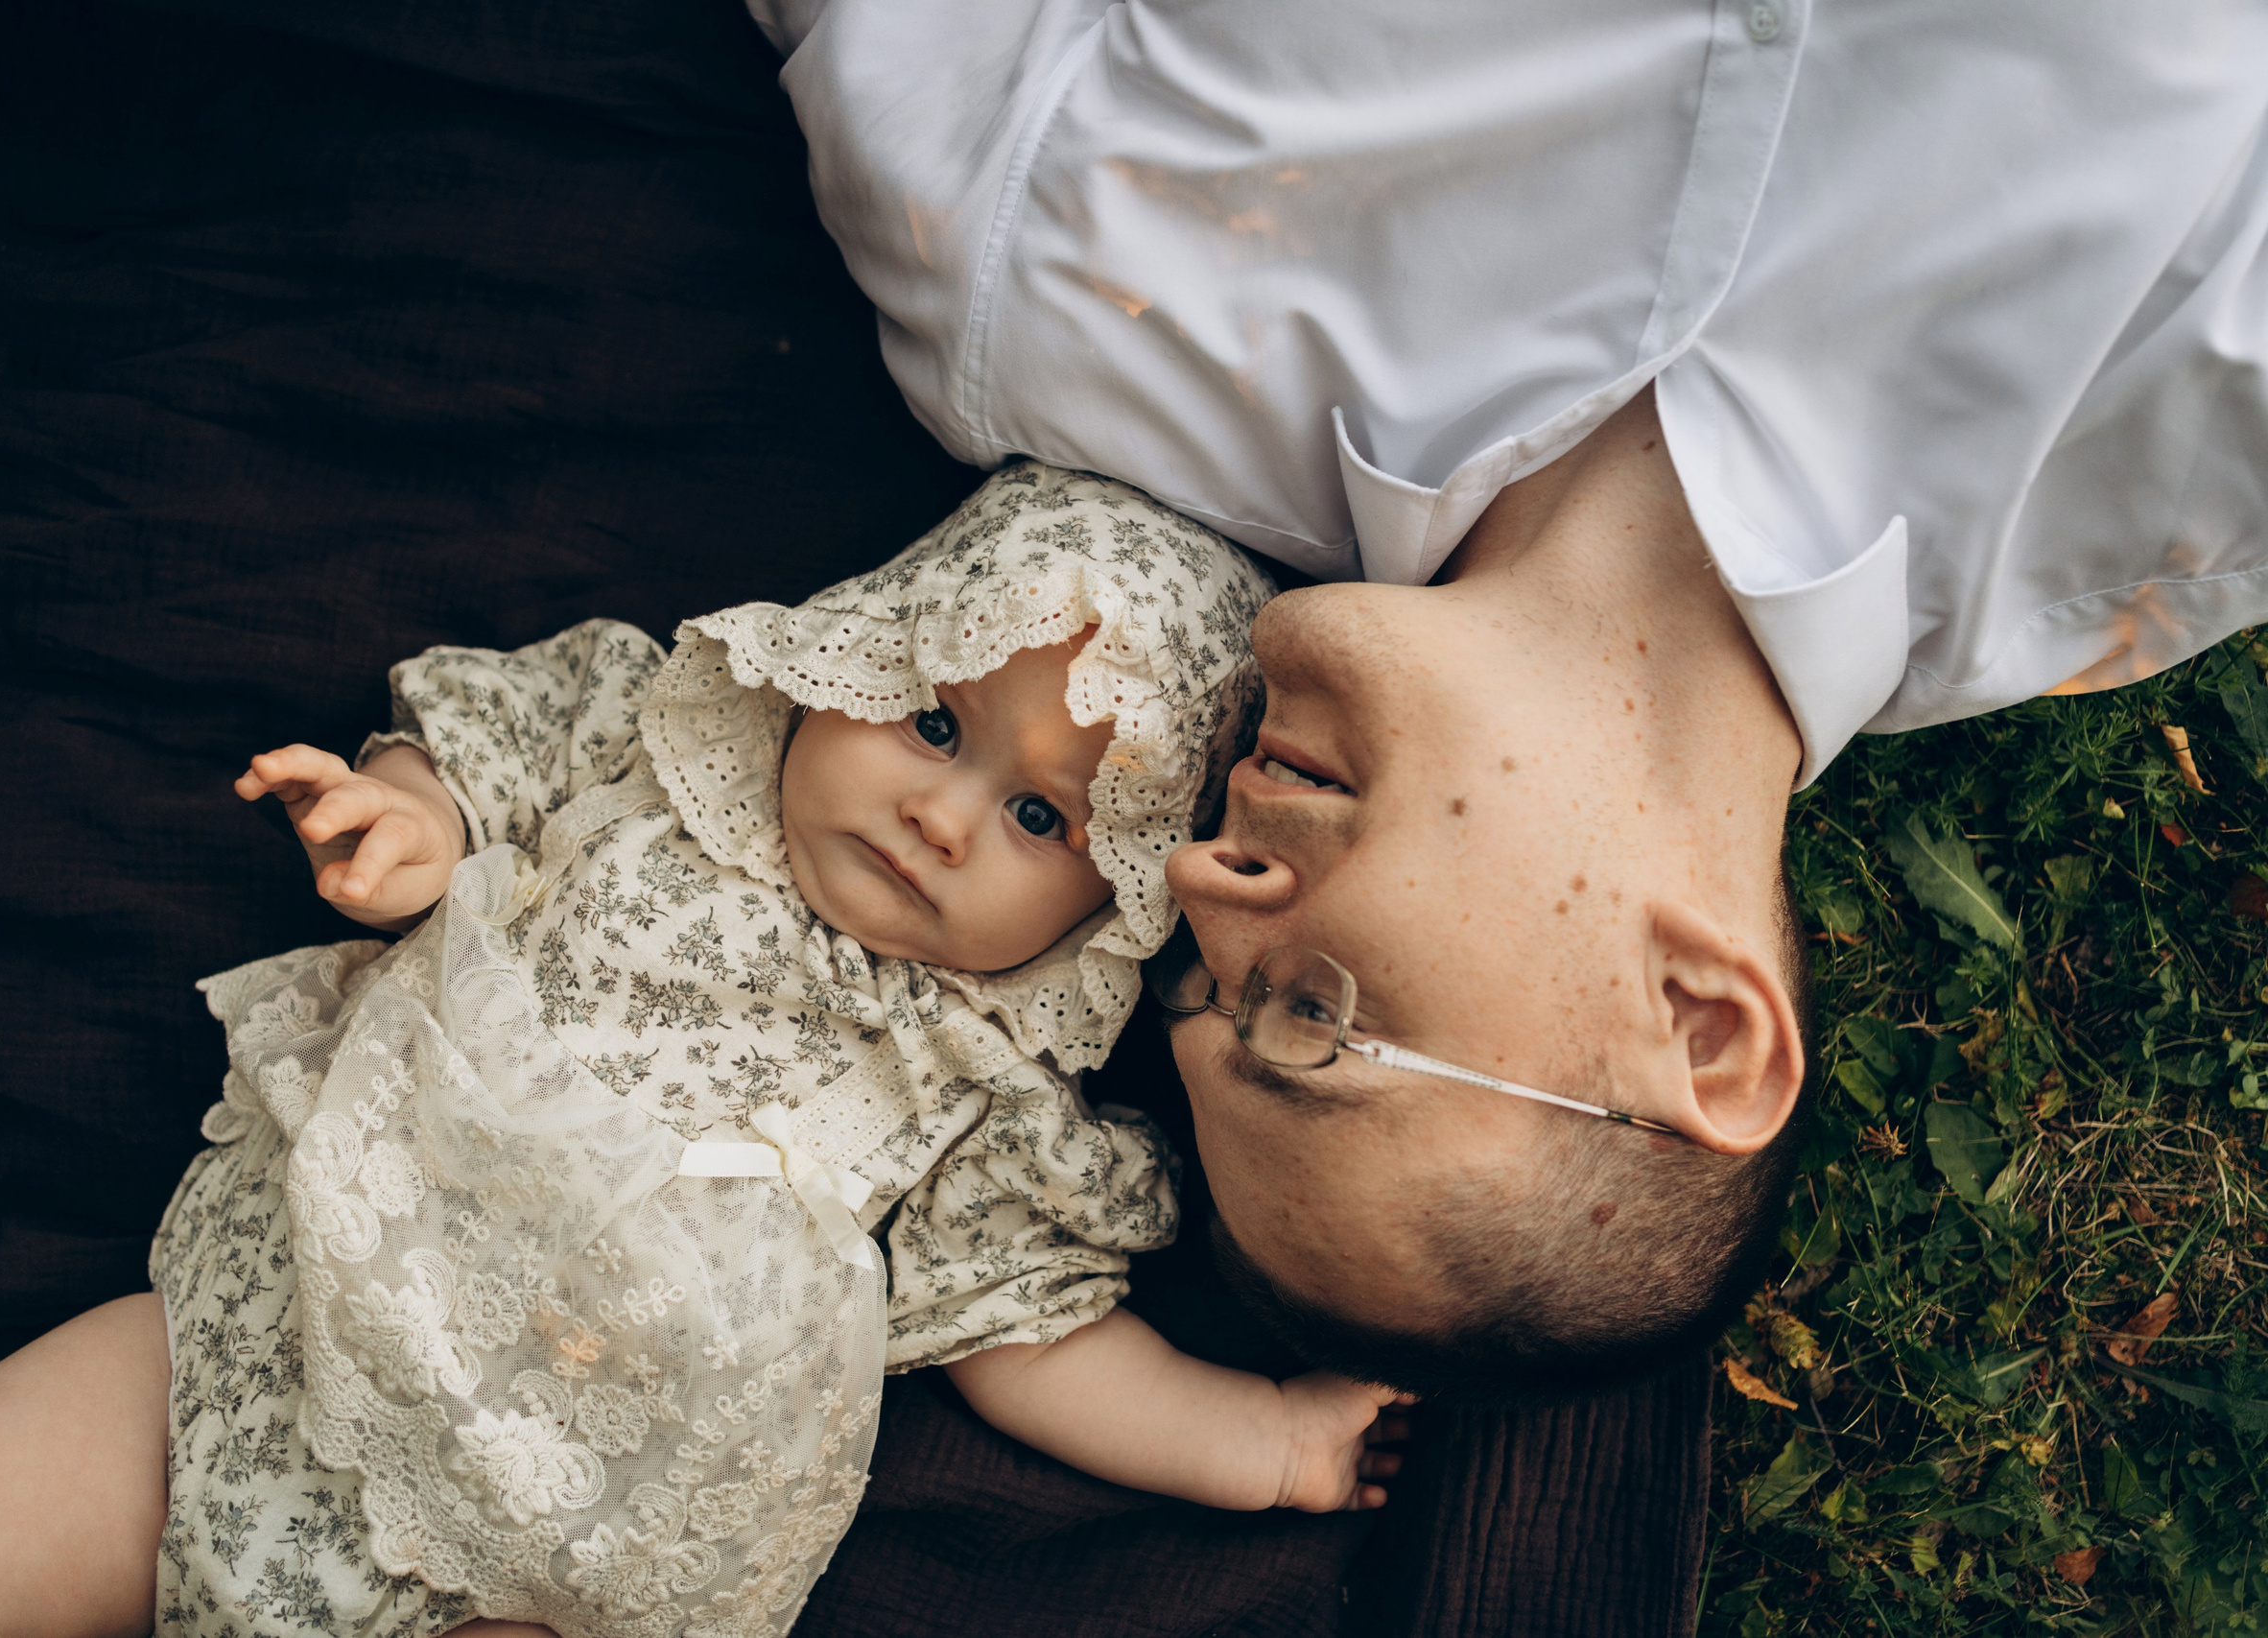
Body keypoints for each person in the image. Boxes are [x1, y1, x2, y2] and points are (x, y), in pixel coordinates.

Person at [756, 0, 2268, 1397]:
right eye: (1306, 1019)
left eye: (1191, 985)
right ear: (1700, 1027)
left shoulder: (1034, 293)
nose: (1194, 883)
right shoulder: (2206, 432)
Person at [0, 466, 1419, 1636]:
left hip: (536, 1556)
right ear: (842, 657)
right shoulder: (646, 750)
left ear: (1117, 893)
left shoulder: (989, 1087)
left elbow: (1032, 1339)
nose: (942, 815)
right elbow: (481, 755)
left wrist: (1265, 1446)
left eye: (1036, 816)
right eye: (932, 722)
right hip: (264, 1340)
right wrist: (412, 823)